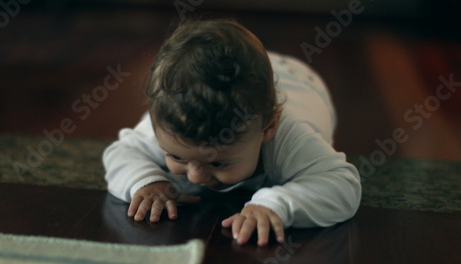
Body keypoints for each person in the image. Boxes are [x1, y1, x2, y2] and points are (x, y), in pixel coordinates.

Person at [102, 19, 361, 246]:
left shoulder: (290, 137)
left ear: (267, 128)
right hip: (246, 76)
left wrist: (278, 204)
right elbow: (121, 152)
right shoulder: (173, 121)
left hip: (299, 81)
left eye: (217, 162)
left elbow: (342, 186)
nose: (196, 176)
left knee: (313, 154)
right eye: (177, 157)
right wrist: (145, 180)